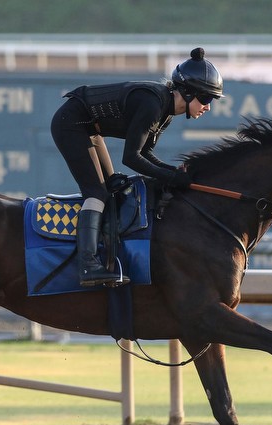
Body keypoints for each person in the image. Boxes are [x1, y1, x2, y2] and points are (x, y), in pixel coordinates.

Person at [50, 47, 223, 287]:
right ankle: (87, 265)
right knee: (97, 193)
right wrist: (170, 177)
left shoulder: (165, 112)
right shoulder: (153, 105)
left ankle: (105, 258)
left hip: (87, 127)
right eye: (205, 98)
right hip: (72, 124)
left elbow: (145, 153)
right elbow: (131, 158)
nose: (208, 106)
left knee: (111, 190)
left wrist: (172, 173)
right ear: (187, 92)